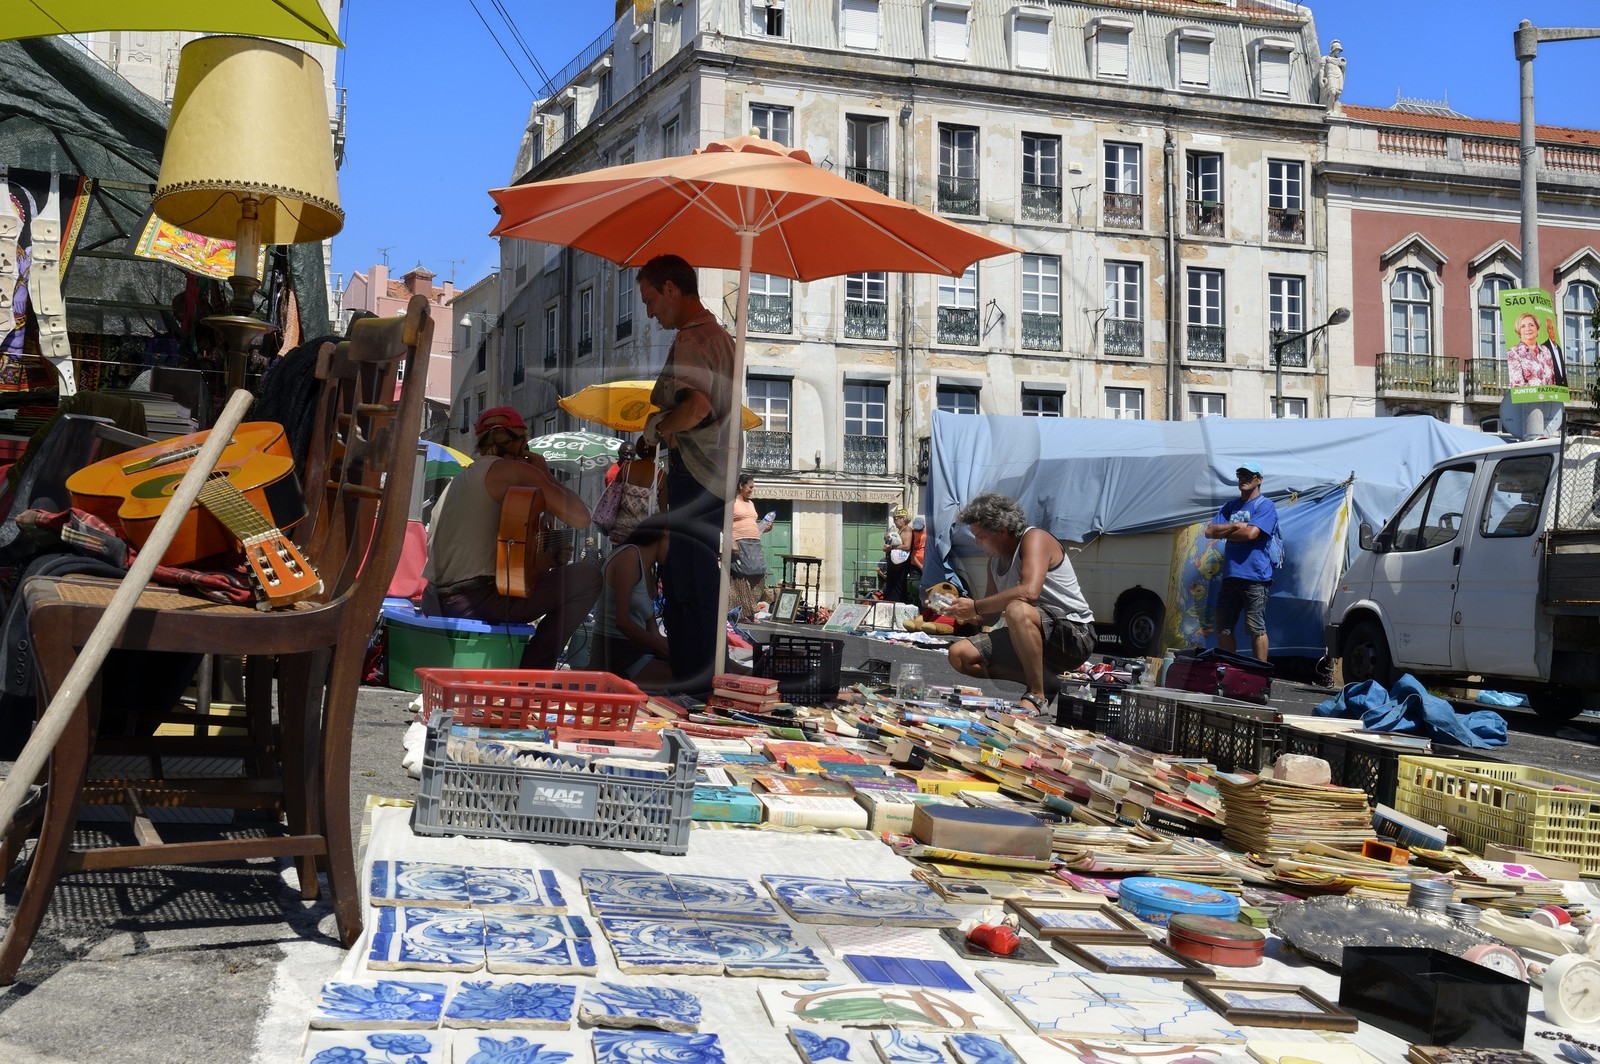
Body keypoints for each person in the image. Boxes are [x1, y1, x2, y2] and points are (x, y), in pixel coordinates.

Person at [423, 406, 602, 669]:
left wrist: (546, 557)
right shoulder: (516, 471)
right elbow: (581, 517)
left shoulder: (460, 478)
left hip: (434, 600)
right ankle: (534, 671)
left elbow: (496, 550)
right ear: (521, 442)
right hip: (476, 601)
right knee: (589, 577)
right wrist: (546, 475)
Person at [635, 254, 735, 699]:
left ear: (672, 289)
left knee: (687, 583)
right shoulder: (721, 338)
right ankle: (703, 681)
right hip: (717, 471)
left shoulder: (693, 341)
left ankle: (697, 687)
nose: (650, 312)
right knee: (690, 576)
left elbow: (695, 406)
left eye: (651, 299)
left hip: (696, 471)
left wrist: (656, 429)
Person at [945, 493, 1097, 715]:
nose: (977, 543)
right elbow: (990, 617)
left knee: (1017, 609)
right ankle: (1047, 682)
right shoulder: (994, 561)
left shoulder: (1034, 538)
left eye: (981, 536)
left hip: (1075, 634)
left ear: (1002, 531)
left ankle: (1036, 695)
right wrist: (961, 610)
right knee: (959, 655)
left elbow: (1029, 592)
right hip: (1030, 630)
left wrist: (976, 606)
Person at [1203, 461, 1279, 661]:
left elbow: (1251, 534)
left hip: (1255, 578)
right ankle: (1230, 672)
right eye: (1240, 475)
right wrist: (1236, 525)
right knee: (1223, 629)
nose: (1243, 479)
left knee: (1256, 629)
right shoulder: (1231, 506)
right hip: (1231, 576)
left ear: (1259, 480)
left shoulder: (1265, 506)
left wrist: (1226, 532)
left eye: (1249, 475)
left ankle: (1260, 675)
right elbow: (1209, 531)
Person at [589, 513, 674, 687]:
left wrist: (667, 647)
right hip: (617, 652)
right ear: (666, 532)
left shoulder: (649, 568)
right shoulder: (630, 556)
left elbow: (652, 630)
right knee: (687, 677)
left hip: (637, 651)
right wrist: (663, 648)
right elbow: (623, 622)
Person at [729, 471, 774, 619]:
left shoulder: (751, 503)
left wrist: (764, 528)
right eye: (750, 487)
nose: (752, 490)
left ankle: (748, 610)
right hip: (739, 543)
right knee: (742, 578)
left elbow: (751, 522)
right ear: (741, 485)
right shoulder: (731, 502)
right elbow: (726, 523)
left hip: (754, 543)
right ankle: (747, 612)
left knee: (759, 574)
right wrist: (732, 541)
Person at [1506, 312, 1568, 388]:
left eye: (1531, 325)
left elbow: (1553, 379)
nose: (1528, 329)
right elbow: (1517, 385)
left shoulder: (1546, 350)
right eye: (1523, 326)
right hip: (1529, 398)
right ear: (1519, 332)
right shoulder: (1513, 353)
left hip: (1549, 398)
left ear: (1537, 328)